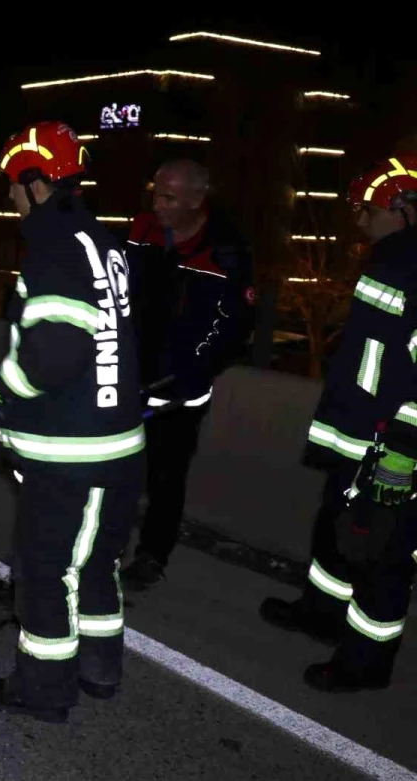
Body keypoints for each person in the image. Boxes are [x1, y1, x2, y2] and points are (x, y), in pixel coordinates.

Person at [0, 122, 145, 722]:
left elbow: (52, 356)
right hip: (117, 445)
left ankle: (43, 690)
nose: (9, 199)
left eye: (12, 188)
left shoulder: (54, 249)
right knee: (95, 564)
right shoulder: (104, 243)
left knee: (45, 571)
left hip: (71, 451)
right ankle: (101, 671)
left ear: (35, 182)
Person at [261, 154, 417, 692]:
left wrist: (402, 447)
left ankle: (363, 664)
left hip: (395, 445)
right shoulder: (390, 258)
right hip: (357, 432)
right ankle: (320, 612)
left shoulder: (409, 263)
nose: (359, 219)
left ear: (404, 208)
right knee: (335, 528)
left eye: (367, 209)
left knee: (384, 553)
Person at [119, 159, 257, 590]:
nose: (157, 204)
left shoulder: (225, 253)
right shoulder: (140, 230)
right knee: (113, 469)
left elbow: (232, 329)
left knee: (165, 478)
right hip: (126, 378)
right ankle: (104, 544)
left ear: (198, 201)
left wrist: (185, 370)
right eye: (156, 193)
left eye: (170, 197)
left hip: (179, 394)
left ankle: (151, 556)